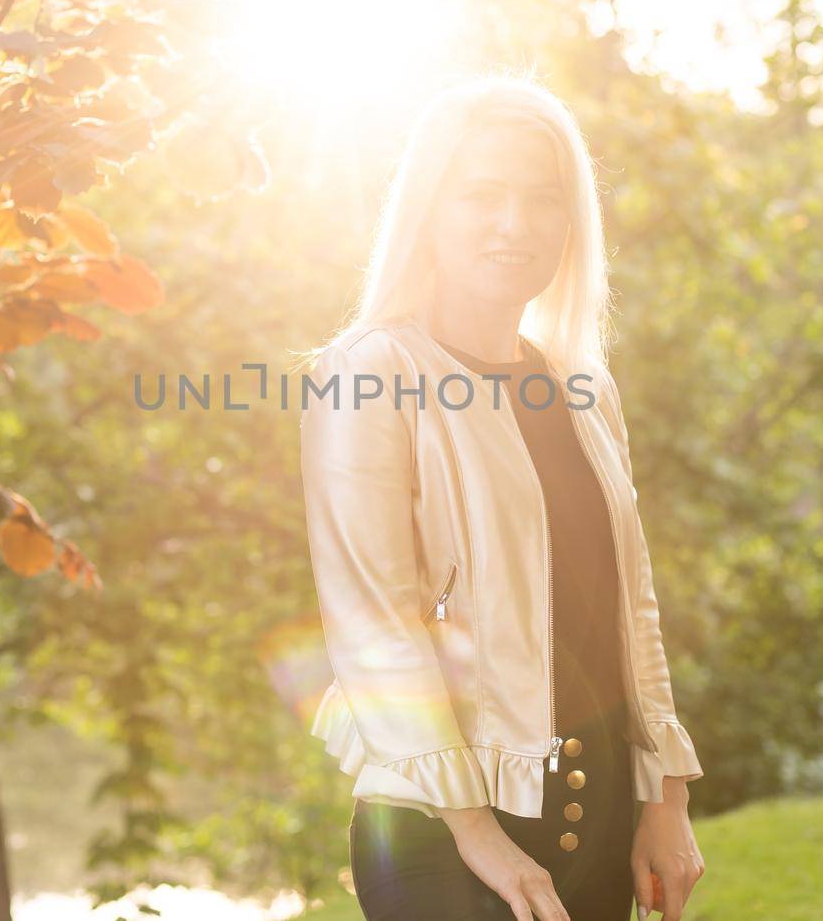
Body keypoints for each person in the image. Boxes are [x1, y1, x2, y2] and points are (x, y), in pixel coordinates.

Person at [297, 74, 706, 921]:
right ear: (430, 211)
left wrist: (666, 796)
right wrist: (476, 832)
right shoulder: (371, 371)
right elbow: (374, 621)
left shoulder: (583, 388)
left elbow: (634, 608)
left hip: (599, 815)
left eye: (542, 198)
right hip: (443, 832)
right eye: (483, 194)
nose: (514, 224)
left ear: (571, 221)